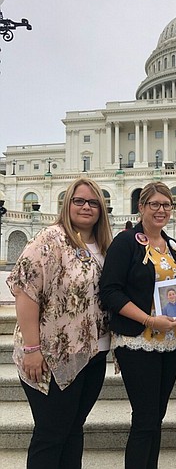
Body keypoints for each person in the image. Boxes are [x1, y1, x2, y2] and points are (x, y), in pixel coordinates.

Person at [6, 177, 113, 469]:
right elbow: (25, 291)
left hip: (94, 353)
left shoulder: (104, 245)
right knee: (51, 433)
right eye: (79, 200)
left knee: (73, 429)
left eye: (93, 202)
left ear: (102, 209)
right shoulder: (50, 239)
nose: (86, 207)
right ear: (67, 204)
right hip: (52, 355)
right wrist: (32, 348)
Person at [99, 181, 176, 469]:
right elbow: (110, 291)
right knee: (145, 418)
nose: (161, 210)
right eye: (154, 204)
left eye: (167, 205)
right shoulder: (126, 242)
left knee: (156, 417)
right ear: (141, 207)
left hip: (169, 341)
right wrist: (149, 319)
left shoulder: (171, 244)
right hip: (138, 340)